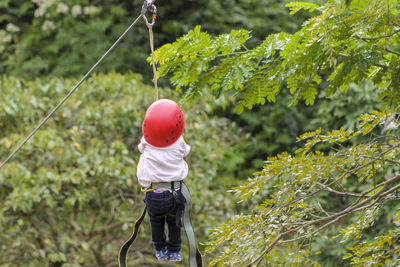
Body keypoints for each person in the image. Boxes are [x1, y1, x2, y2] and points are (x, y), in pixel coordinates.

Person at [137, 99, 190, 261]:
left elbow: (141, 147)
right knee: (175, 223)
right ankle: (174, 251)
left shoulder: (146, 142)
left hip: (154, 193)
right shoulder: (179, 142)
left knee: (156, 220)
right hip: (175, 192)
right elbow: (185, 151)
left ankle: (159, 248)